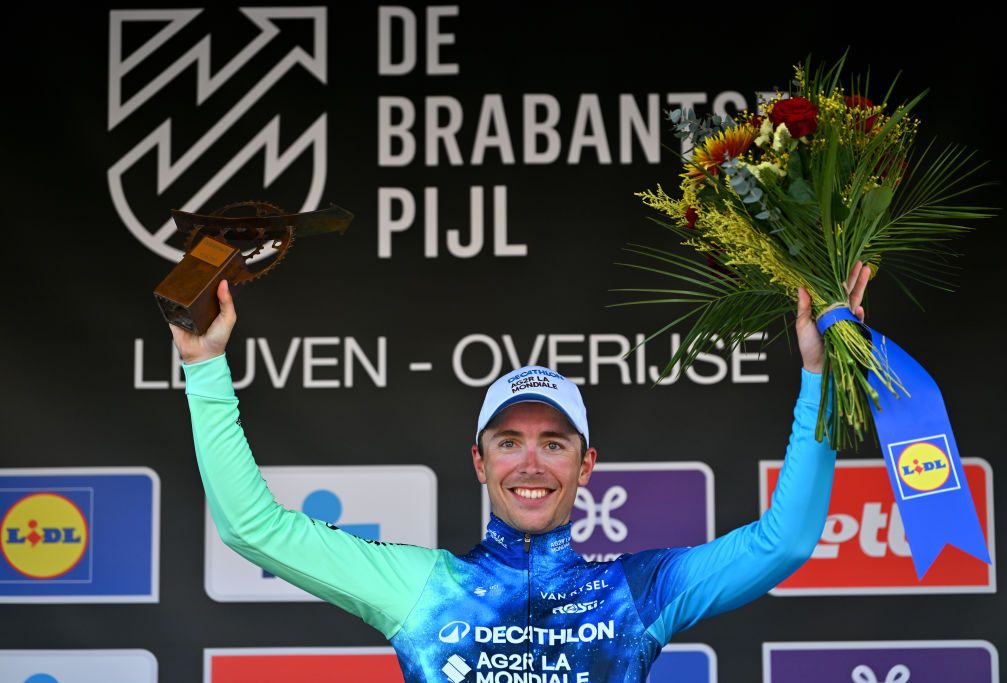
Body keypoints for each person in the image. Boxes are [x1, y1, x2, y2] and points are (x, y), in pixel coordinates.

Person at [172, 263, 870, 682]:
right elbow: (251, 526)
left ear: (586, 464)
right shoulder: (421, 586)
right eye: (509, 441)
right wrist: (204, 367)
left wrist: (819, 374)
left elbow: (784, 542)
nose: (530, 462)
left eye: (554, 443)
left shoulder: (636, 590)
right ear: (479, 462)